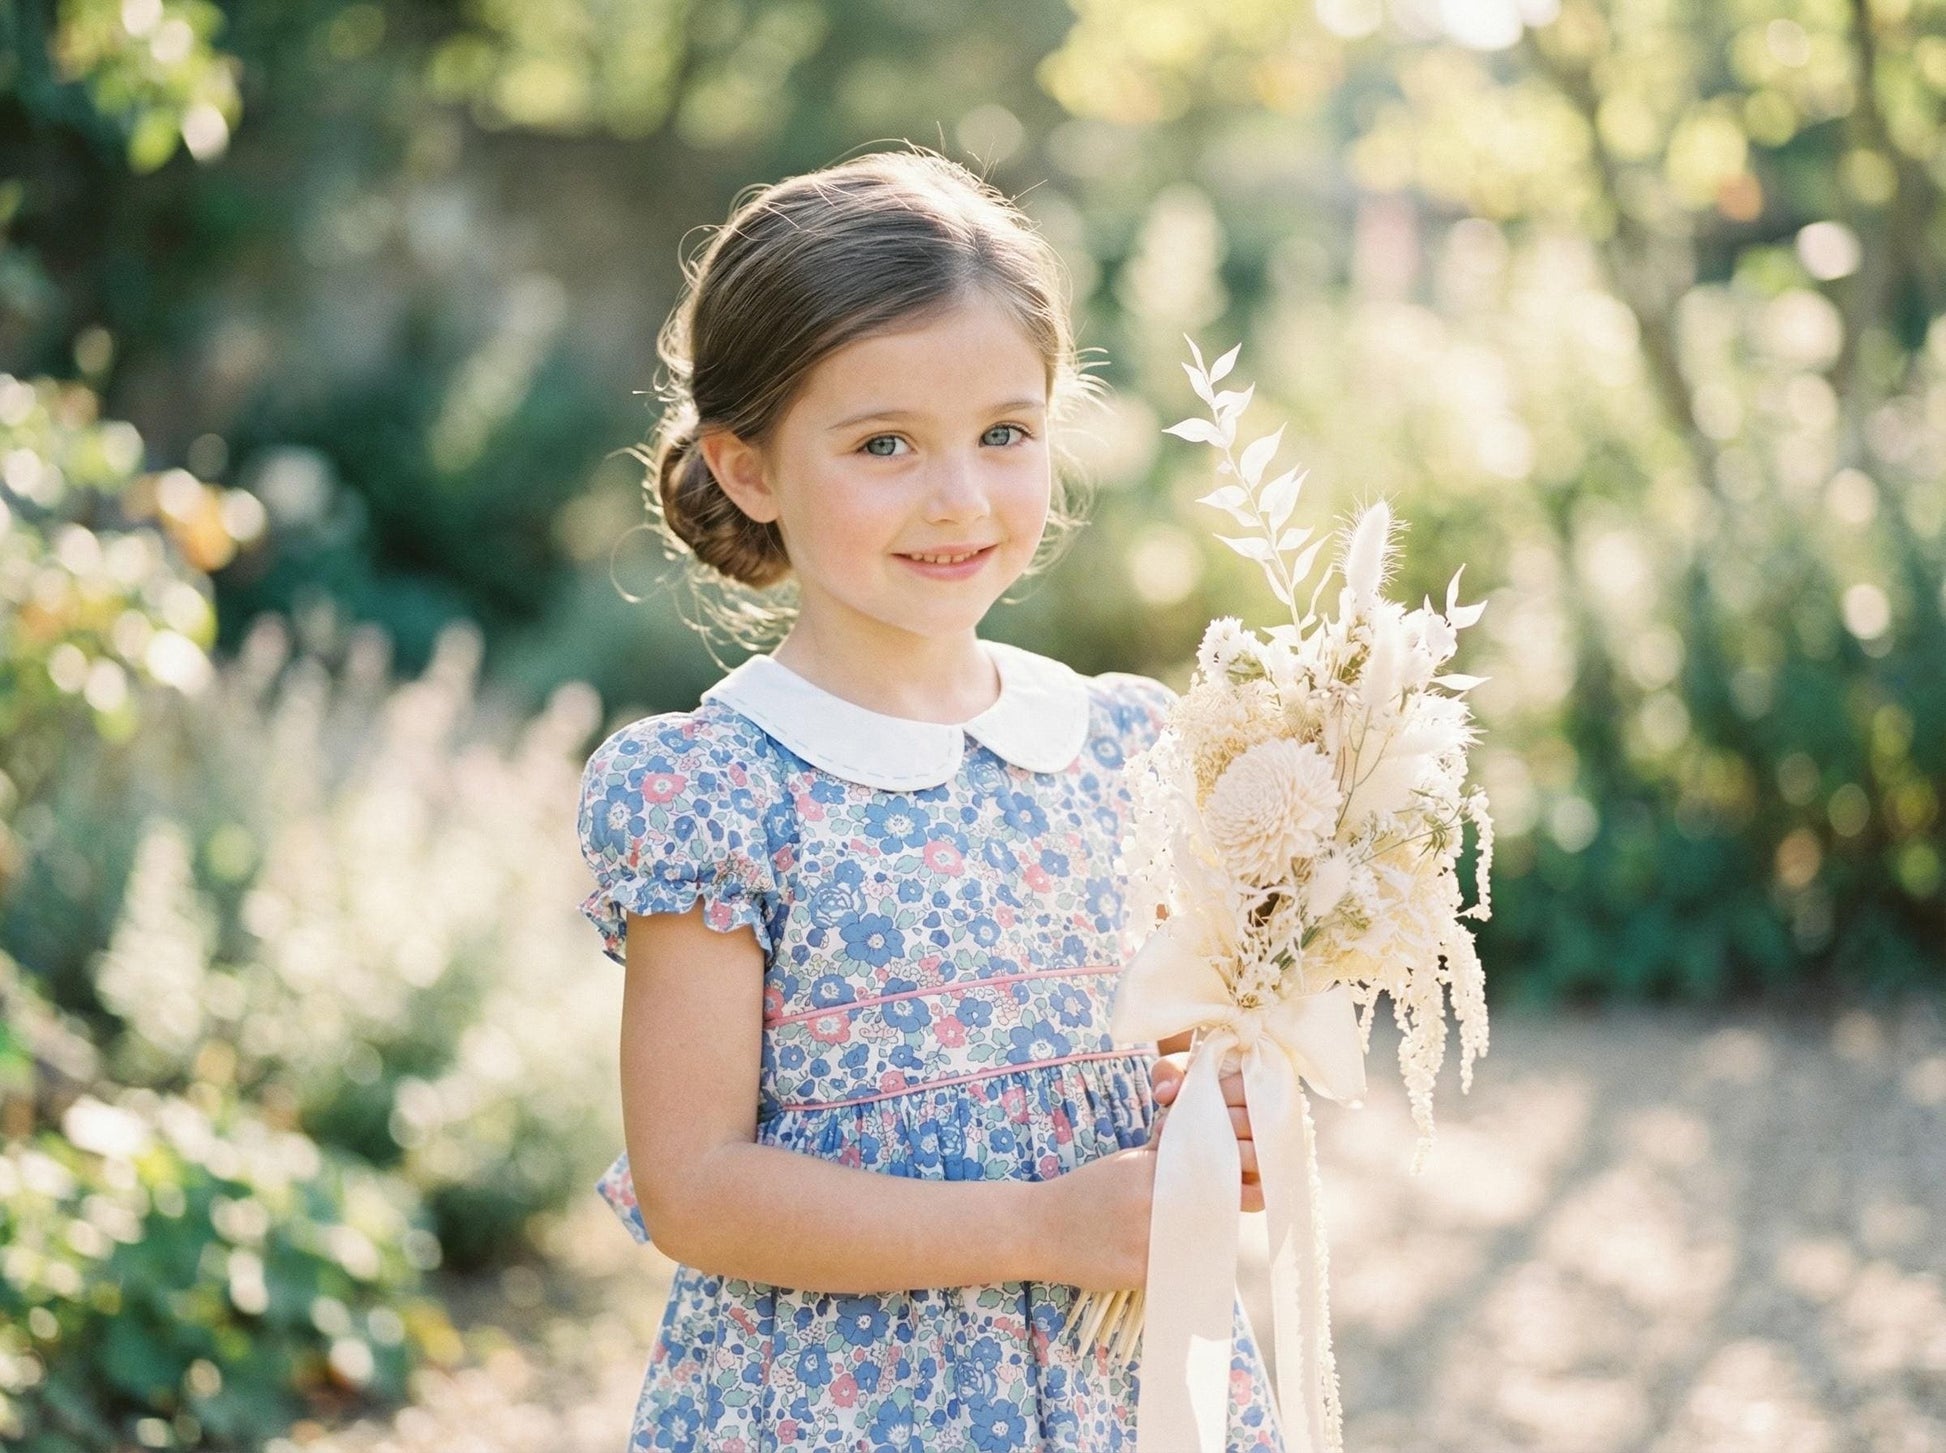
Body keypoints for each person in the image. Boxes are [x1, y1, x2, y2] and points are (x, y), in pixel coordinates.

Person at [575, 144, 1281, 1452]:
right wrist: (1035, 1224)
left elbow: (1152, 1070)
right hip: (837, 1413)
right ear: (747, 469)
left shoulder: (1125, 742)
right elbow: (695, 1187)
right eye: (884, 443)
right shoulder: (716, 790)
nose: (958, 496)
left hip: (1116, 1399)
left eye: (1004, 433)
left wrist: (1214, 1125)